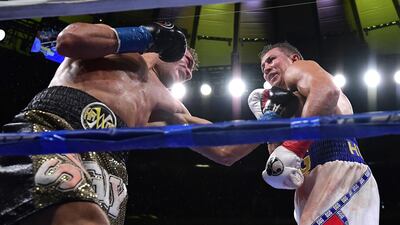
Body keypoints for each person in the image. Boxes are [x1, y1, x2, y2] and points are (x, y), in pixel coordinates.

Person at [0, 22, 258, 225]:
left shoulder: (169, 106)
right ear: (169, 49)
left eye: (192, 72)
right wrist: (150, 35)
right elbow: (69, 40)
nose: (189, 72)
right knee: (80, 219)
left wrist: (272, 119)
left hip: (107, 167)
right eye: (187, 61)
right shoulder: (115, 48)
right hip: (54, 130)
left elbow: (225, 151)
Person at [248, 42, 379, 225]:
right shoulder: (286, 103)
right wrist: (269, 119)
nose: (267, 68)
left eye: (271, 60)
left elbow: (328, 91)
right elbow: (281, 172)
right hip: (311, 183)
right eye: (263, 67)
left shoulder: (300, 68)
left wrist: (294, 146)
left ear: (294, 58)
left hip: (337, 171)